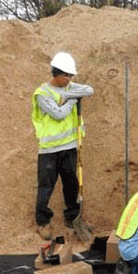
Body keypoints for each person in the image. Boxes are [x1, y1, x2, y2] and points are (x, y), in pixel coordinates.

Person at [31, 52, 94, 241]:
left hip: (69, 147)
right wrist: (73, 100)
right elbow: (58, 114)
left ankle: (73, 219)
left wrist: (67, 95)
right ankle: (43, 221)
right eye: (65, 75)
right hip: (49, 150)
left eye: (71, 76)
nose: (69, 79)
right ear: (55, 74)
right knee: (45, 187)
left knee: (71, 184)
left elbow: (89, 90)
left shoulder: (70, 87)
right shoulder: (42, 94)